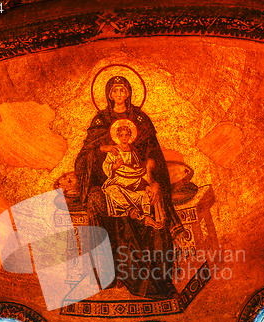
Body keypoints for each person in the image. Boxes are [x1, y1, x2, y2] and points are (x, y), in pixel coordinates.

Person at [74, 75, 183, 299]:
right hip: (110, 183)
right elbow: (85, 157)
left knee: (153, 201)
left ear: (129, 92)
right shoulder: (100, 121)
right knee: (96, 200)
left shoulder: (141, 120)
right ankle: (109, 274)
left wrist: (152, 180)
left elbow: (153, 154)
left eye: (123, 90)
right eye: (115, 91)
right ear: (109, 94)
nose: (119, 95)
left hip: (139, 180)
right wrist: (104, 149)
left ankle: (156, 277)